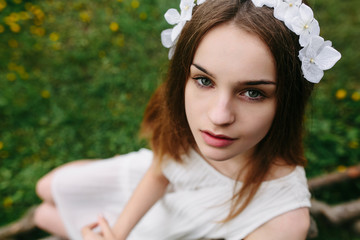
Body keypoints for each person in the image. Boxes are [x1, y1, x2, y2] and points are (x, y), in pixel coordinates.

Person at [34, 0, 341, 239]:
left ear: (287, 100)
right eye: (205, 81)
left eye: (252, 92)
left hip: (164, 227)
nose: (218, 117)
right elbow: (162, 168)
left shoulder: (284, 218)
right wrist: (118, 233)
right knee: (45, 189)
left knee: (43, 217)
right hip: (146, 179)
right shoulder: (188, 121)